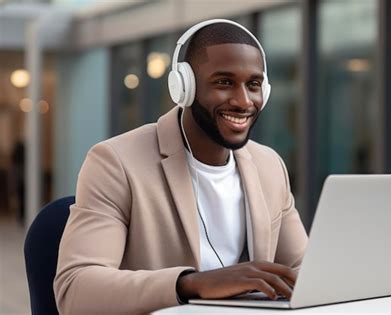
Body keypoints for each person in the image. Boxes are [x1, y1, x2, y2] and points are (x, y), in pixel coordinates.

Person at [54, 19, 308, 314]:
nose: (243, 101)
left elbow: (304, 269)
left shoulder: (269, 166)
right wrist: (190, 284)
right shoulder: (115, 163)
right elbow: (76, 290)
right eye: (224, 82)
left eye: (253, 85)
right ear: (183, 87)